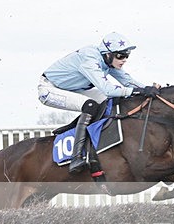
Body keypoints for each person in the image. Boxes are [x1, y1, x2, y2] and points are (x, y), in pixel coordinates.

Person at [38, 32, 159, 173]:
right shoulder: (90, 59)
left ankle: (91, 141)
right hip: (49, 89)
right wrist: (138, 92)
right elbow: (108, 89)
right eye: (120, 55)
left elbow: (127, 81)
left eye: (127, 55)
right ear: (108, 54)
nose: (124, 59)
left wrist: (148, 89)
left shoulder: (107, 61)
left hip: (73, 89)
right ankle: (76, 157)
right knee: (91, 105)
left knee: (108, 101)